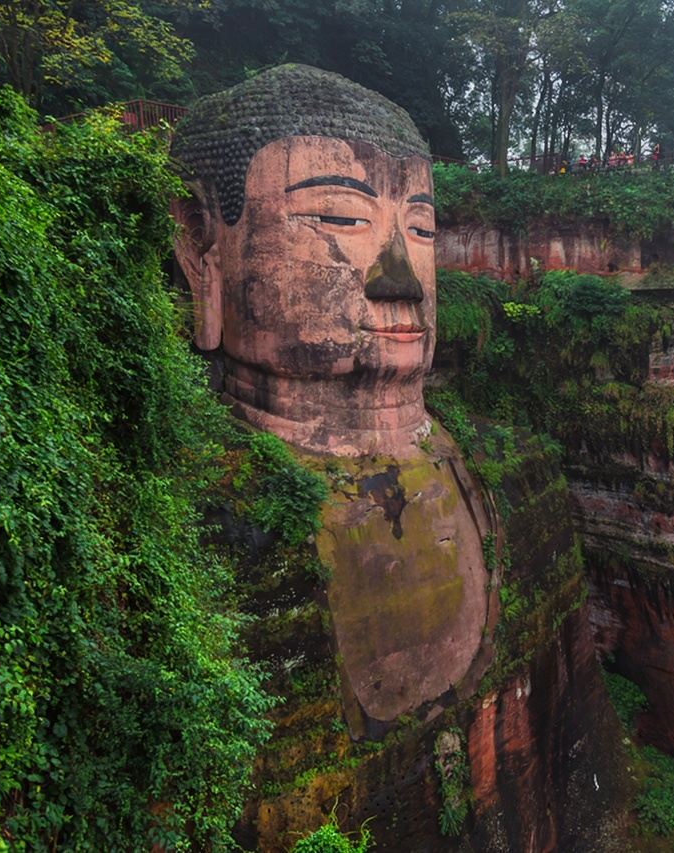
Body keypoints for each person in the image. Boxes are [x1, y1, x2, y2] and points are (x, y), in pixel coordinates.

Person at [170, 64, 493, 738]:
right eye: (340, 216)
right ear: (203, 246)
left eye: (422, 229)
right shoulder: (193, 547)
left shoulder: (496, 473)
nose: (400, 277)